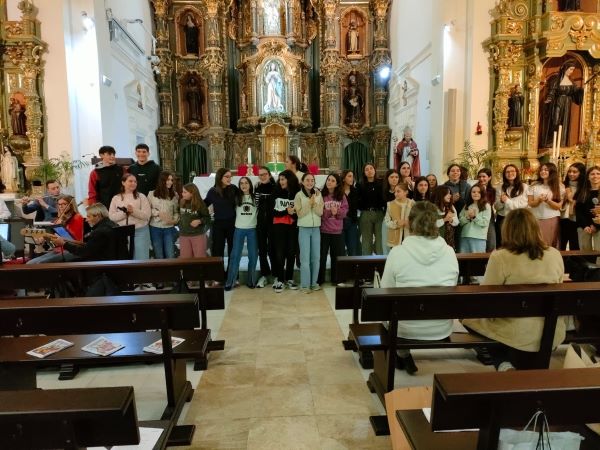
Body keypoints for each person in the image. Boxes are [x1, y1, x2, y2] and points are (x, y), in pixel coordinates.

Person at [462, 209, 565, 371]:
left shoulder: (501, 257)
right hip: (550, 331)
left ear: (507, 229)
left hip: (516, 332)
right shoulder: (554, 254)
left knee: (467, 318)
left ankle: (502, 362)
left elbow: (485, 296)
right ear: (535, 228)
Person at [380, 201, 459, 375]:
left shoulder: (398, 252)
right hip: (441, 325)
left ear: (410, 221)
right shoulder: (449, 251)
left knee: (387, 309)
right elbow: (452, 284)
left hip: (405, 327)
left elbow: (385, 291)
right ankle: (403, 355)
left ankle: (402, 353)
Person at [27, 195, 85, 264]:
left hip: (72, 250)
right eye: (59, 204)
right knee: (30, 263)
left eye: (64, 204)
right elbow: (53, 236)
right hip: (58, 249)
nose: (61, 206)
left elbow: (75, 239)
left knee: (41, 263)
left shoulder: (77, 217)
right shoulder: (58, 220)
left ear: (71, 205)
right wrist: (44, 238)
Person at [225, 177, 258, 291]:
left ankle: (251, 280)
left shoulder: (255, 197)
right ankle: (230, 282)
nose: (244, 185)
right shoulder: (236, 198)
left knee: (253, 256)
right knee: (235, 256)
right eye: (241, 183)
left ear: (250, 184)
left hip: (252, 230)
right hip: (239, 229)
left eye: (246, 183)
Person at [109, 174, 152, 260]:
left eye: (135, 181)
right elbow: (111, 216)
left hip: (140, 232)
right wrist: (125, 213)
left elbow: (147, 215)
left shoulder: (142, 197)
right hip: (122, 233)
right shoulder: (116, 198)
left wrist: (133, 211)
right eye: (130, 181)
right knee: (125, 259)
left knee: (141, 258)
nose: (133, 183)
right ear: (123, 183)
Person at [542, 60, 583, 148]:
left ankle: (562, 142)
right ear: (565, 68)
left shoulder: (571, 81)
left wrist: (581, 90)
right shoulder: (556, 80)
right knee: (555, 120)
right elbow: (552, 91)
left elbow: (575, 93)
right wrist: (549, 98)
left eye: (572, 70)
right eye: (570, 69)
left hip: (567, 103)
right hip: (558, 102)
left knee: (564, 122)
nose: (571, 72)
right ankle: (551, 141)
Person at [204, 168, 238, 276]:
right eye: (226, 177)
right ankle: (218, 276)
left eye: (230, 176)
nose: (229, 179)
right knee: (218, 250)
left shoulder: (233, 188)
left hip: (232, 223)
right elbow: (204, 204)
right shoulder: (212, 191)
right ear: (220, 177)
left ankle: (232, 275)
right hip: (218, 224)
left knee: (233, 250)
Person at [270, 170, 300, 293]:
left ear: (290, 180)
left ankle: (289, 278)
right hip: (279, 227)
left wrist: (293, 214)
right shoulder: (275, 192)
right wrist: (285, 212)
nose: (281, 181)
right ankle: (280, 279)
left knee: (291, 252)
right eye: (280, 179)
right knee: (279, 253)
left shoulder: (297, 193)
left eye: (283, 179)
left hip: (292, 227)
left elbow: (299, 212)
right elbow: (272, 212)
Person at [294, 173, 324, 293]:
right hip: (304, 228)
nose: (310, 182)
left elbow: (320, 213)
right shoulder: (298, 195)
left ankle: (314, 283)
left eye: (312, 180)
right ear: (302, 181)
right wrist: (309, 203)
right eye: (307, 180)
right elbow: (300, 214)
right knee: (305, 258)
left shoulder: (318, 194)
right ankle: (305, 285)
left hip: (316, 228)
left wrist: (315, 203)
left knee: (316, 257)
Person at [319, 173, 348, 285]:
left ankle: (336, 279)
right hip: (323, 231)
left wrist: (338, 212)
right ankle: (319, 279)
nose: (329, 182)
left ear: (337, 184)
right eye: (328, 180)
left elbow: (345, 211)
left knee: (337, 256)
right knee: (321, 257)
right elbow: (319, 212)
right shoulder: (321, 195)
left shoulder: (342, 196)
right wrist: (330, 211)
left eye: (332, 181)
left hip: (337, 232)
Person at [528, 163, 564, 248]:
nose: (542, 171)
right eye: (541, 170)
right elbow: (530, 203)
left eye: (546, 170)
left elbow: (558, 206)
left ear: (552, 172)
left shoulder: (559, 186)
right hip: (535, 218)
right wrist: (539, 200)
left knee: (549, 244)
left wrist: (548, 201)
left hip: (551, 218)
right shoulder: (534, 186)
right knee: (536, 243)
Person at [494, 164, 528, 247]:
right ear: (504, 175)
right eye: (507, 172)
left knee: (517, 243)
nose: (510, 173)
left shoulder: (524, 187)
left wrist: (507, 201)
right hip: (503, 218)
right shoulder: (500, 188)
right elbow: (496, 207)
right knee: (502, 243)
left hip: (518, 218)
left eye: (512, 171)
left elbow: (522, 205)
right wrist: (501, 202)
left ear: (517, 173)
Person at [148, 171, 179, 259]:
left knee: (170, 255)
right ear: (162, 180)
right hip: (155, 228)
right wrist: (158, 213)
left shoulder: (174, 195)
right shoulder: (151, 194)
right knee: (159, 255)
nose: (170, 182)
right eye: (168, 180)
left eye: (171, 180)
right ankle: (160, 273)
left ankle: (171, 273)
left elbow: (176, 211)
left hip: (169, 228)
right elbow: (147, 211)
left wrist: (174, 220)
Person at [357, 163, 385, 255]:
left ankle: (381, 264)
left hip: (379, 213)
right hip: (366, 214)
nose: (369, 171)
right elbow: (358, 201)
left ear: (374, 170)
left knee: (380, 240)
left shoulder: (382, 183)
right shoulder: (360, 185)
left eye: (371, 168)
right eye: (367, 169)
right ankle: (366, 265)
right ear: (364, 173)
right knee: (366, 240)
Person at [255, 167, 276, 288]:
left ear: (269, 175)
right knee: (262, 250)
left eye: (264, 174)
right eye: (260, 175)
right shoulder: (257, 188)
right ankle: (264, 274)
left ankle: (275, 274)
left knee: (272, 249)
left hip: (273, 223)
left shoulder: (275, 187)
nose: (262, 177)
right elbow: (256, 204)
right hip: (260, 222)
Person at [179, 183, 211, 258]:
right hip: (184, 235)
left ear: (192, 193)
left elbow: (207, 218)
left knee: (199, 260)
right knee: (185, 260)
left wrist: (199, 221)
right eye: (182, 192)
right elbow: (179, 215)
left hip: (197, 235)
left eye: (185, 192)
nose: (182, 194)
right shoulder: (182, 202)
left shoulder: (200, 204)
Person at [459, 184, 491, 254]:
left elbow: (485, 223)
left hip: (478, 238)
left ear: (482, 194)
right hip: (465, 236)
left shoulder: (486, 206)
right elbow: (460, 221)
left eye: (479, 192)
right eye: (473, 192)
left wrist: (474, 217)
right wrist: (467, 217)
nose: (476, 193)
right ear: (470, 193)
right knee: (464, 262)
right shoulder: (467, 205)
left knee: (477, 262)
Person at [561, 162, 586, 251]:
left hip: (576, 219)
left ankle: (574, 263)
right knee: (561, 243)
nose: (571, 174)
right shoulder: (563, 185)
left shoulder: (584, 188)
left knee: (575, 244)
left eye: (575, 172)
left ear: (581, 173)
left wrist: (572, 200)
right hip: (563, 218)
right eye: (570, 171)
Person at [575, 166, 600, 252]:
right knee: (585, 252)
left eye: (598, 174)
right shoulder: (582, 192)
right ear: (588, 177)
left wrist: (596, 225)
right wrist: (585, 225)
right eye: (592, 174)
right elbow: (578, 211)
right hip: (584, 226)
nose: (595, 176)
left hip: (599, 226)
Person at [385, 183, 414, 249]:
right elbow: (387, 221)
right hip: (395, 239)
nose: (395, 194)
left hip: (410, 237)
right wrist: (396, 223)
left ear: (406, 192)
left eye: (398, 191)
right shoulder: (390, 204)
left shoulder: (412, 204)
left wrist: (409, 223)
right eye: (395, 192)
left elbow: (417, 220)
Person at [431, 185, 459, 250]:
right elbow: (432, 225)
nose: (450, 196)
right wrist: (445, 219)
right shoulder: (432, 208)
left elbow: (457, 222)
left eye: (450, 193)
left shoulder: (451, 207)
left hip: (449, 240)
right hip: (435, 240)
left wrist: (451, 220)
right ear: (441, 194)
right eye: (447, 194)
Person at [476, 168, 496, 252]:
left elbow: (491, 203)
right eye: (479, 176)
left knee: (491, 241)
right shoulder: (475, 189)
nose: (481, 179)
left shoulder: (493, 190)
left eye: (484, 176)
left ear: (489, 177)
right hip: (477, 217)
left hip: (489, 217)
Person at [341, 170, 360, 256]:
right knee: (340, 248)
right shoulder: (339, 191)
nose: (351, 178)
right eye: (349, 176)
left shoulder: (356, 191)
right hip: (340, 222)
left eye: (352, 176)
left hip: (352, 222)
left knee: (352, 248)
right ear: (344, 178)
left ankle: (353, 268)